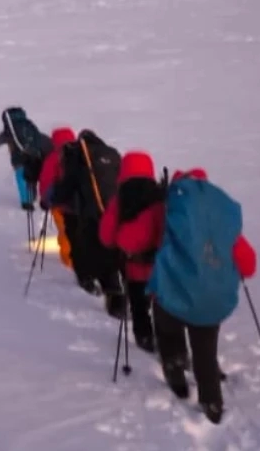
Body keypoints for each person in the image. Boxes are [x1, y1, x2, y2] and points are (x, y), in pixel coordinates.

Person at [147, 168, 257, 425]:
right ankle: (212, 403)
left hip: (172, 297)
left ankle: (177, 378)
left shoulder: (169, 214)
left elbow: (149, 244)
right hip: (212, 302)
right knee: (205, 352)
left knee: (169, 333)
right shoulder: (221, 225)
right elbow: (249, 265)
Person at [43, 129, 124, 317]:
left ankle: (88, 278)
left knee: (83, 246)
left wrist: (51, 200)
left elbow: (67, 185)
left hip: (85, 212)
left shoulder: (77, 156)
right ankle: (117, 298)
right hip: (112, 211)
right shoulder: (110, 154)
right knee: (110, 251)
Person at [98, 150, 162, 354]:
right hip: (161, 267)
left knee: (138, 305)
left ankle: (144, 337)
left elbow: (106, 237)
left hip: (133, 268)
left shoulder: (120, 200)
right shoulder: (162, 198)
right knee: (163, 306)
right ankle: (169, 343)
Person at [0, 107, 51, 211]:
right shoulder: (30, 127)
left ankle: (27, 203)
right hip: (36, 158)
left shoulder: (8, 133)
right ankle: (34, 197)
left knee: (22, 179)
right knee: (32, 177)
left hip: (19, 161)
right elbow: (44, 140)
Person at [38, 127, 76, 270]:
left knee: (65, 232)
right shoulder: (82, 155)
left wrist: (44, 200)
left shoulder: (53, 158)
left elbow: (46, 180)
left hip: (59, 204)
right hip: (80, 202)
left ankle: (68, 261)